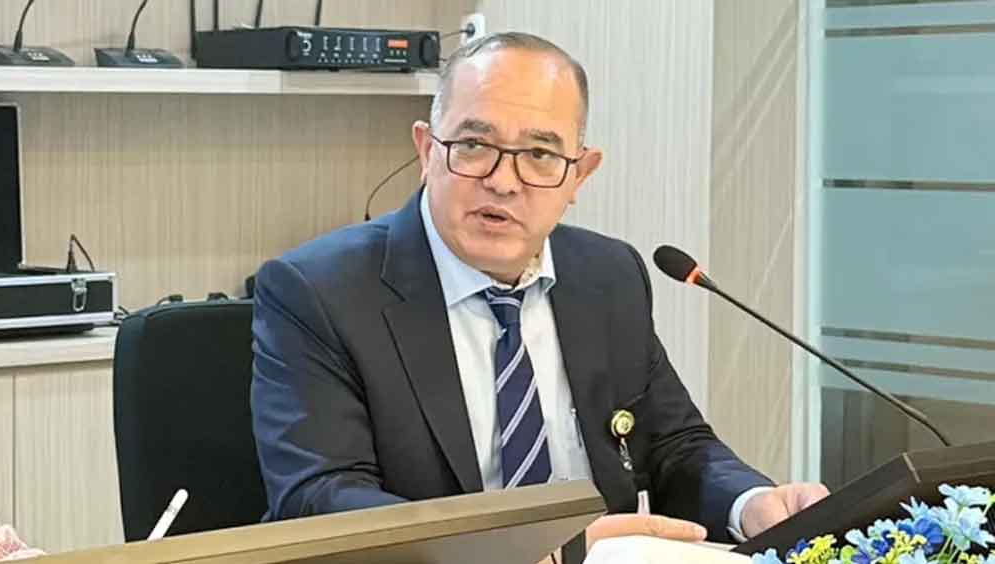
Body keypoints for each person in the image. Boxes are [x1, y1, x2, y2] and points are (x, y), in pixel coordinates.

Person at [250, 32, 827, 549]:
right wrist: (529, 552)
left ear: (579, 174)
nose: (503, 181)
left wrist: (753, 504)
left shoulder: (608, 275)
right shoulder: (319, 292)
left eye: (541, 155)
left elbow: (676, 445)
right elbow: (319, 498)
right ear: (427, 151)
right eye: (474, 145)